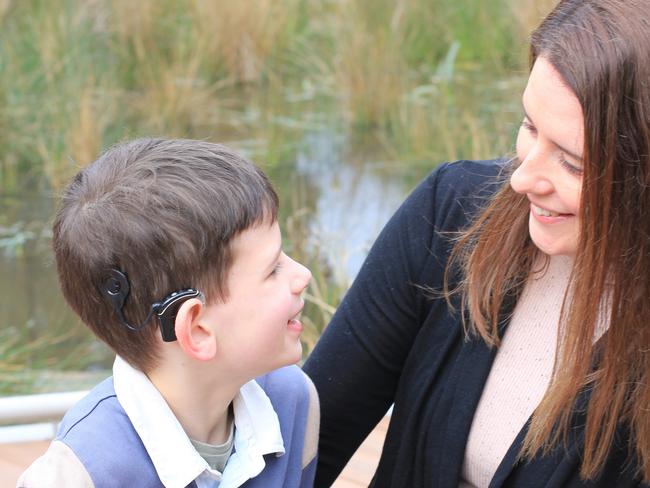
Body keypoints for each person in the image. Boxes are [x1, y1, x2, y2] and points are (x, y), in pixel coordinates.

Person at [304, 0, 650, 486]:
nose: (522, 179)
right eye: (530, 127)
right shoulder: (451, 214)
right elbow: (312, 438)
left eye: (572, 162)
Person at [18, 138, 318, 488]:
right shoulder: (79, 475)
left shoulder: (294, 401)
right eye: (272, 269)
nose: (302, 275)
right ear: (197, 329)